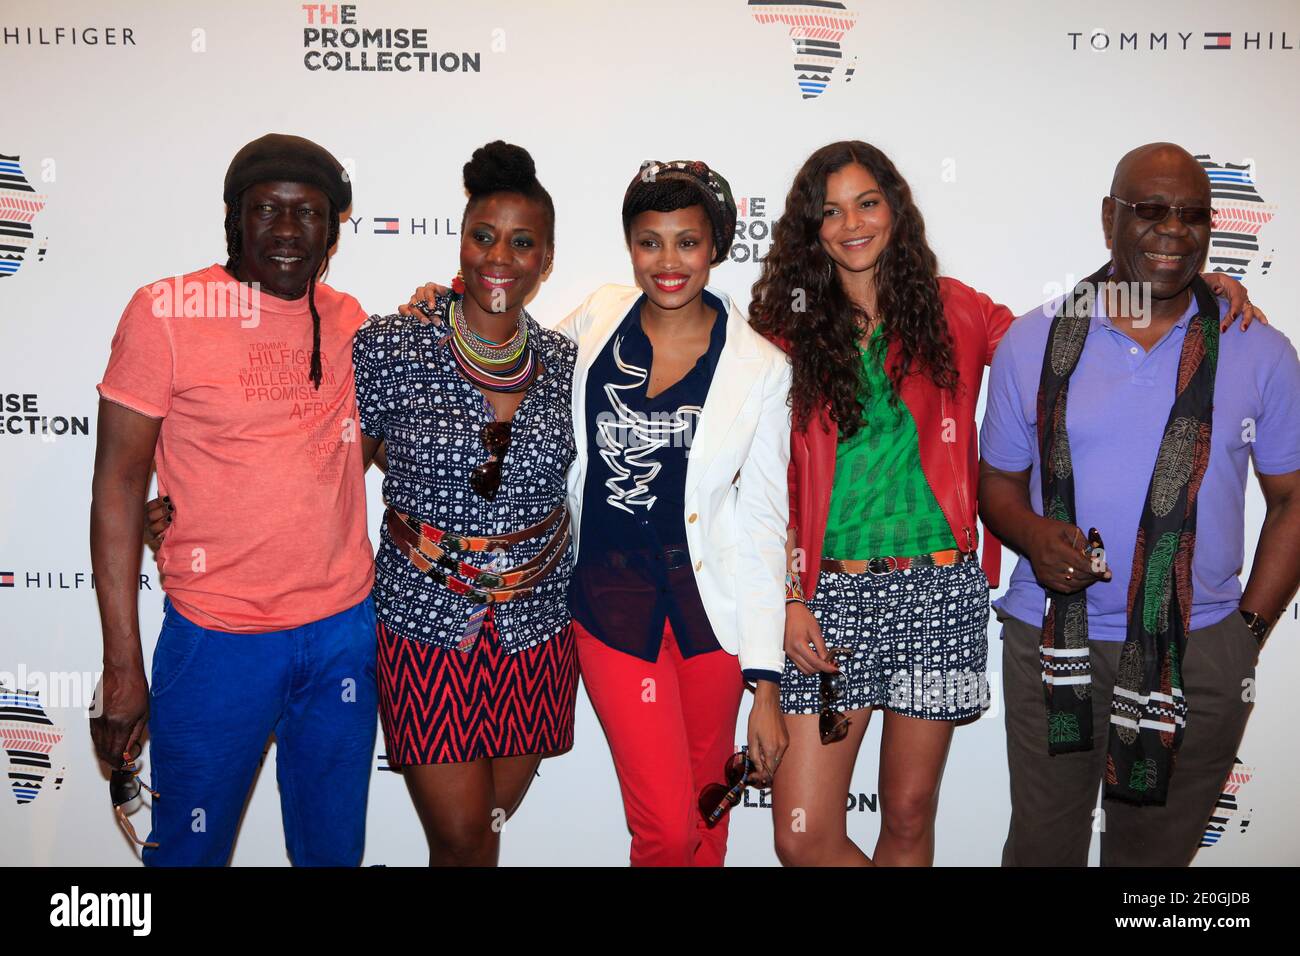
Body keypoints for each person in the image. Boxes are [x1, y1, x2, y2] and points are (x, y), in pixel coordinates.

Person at [749, 139, 1262, 868]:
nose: (852, 223)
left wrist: (1197, 292)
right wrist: (790, 595)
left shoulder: (952, 309)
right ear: (810, 227)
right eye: (830, 211)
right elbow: (762, 486)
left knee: (906, 816)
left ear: (896, 210)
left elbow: (1062, 333)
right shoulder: (784, 330)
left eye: (868, 202)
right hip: (827, 599)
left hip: (939, 589)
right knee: (802, 836)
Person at [404, 159, 792, 866]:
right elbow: (502, 352)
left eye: (687, 242)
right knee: (667, 831)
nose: (667, 262)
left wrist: (764, 681)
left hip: (714, 620)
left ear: (717, 246)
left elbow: (765, 524)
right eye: (650, 242)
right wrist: (446, 307)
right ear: (630, 246)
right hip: (610, 605)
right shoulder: (596, 319)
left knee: (707, 824)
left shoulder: (761, 367)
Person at [979, 142, 1300, 866]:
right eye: (1150, 209)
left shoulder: (1257, 348)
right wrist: (1032, 533)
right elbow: (995, 483)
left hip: (1197, 652)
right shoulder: (1036, 341)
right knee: (1041, 852)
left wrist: (1245, 631)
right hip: (1051, 645)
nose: (1173, 229)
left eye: (1191, 214)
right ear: (1108, 219)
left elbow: (1292, 501)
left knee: (1151, 871)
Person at [91, 133, 377, 866]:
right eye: (266, 211)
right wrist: (123, 665)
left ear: (334, 230)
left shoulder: (350, 322)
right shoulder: (166, 312)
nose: (286, 231)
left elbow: (356, 445)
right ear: (234, 218)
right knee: (188, 856)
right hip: (217, 639)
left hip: (344, 632)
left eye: (308, 214)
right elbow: (120, 484)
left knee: (332, 854)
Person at [352, 142, 578, 866]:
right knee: (460, 834)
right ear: (461, 242)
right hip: (424, 626)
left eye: (522, 241)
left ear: (546, 260)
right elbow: (322, 474)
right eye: (484, 235)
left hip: (536, 629)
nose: (499, 255)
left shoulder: (571, 363)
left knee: (487, 834)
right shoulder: (392, 347)